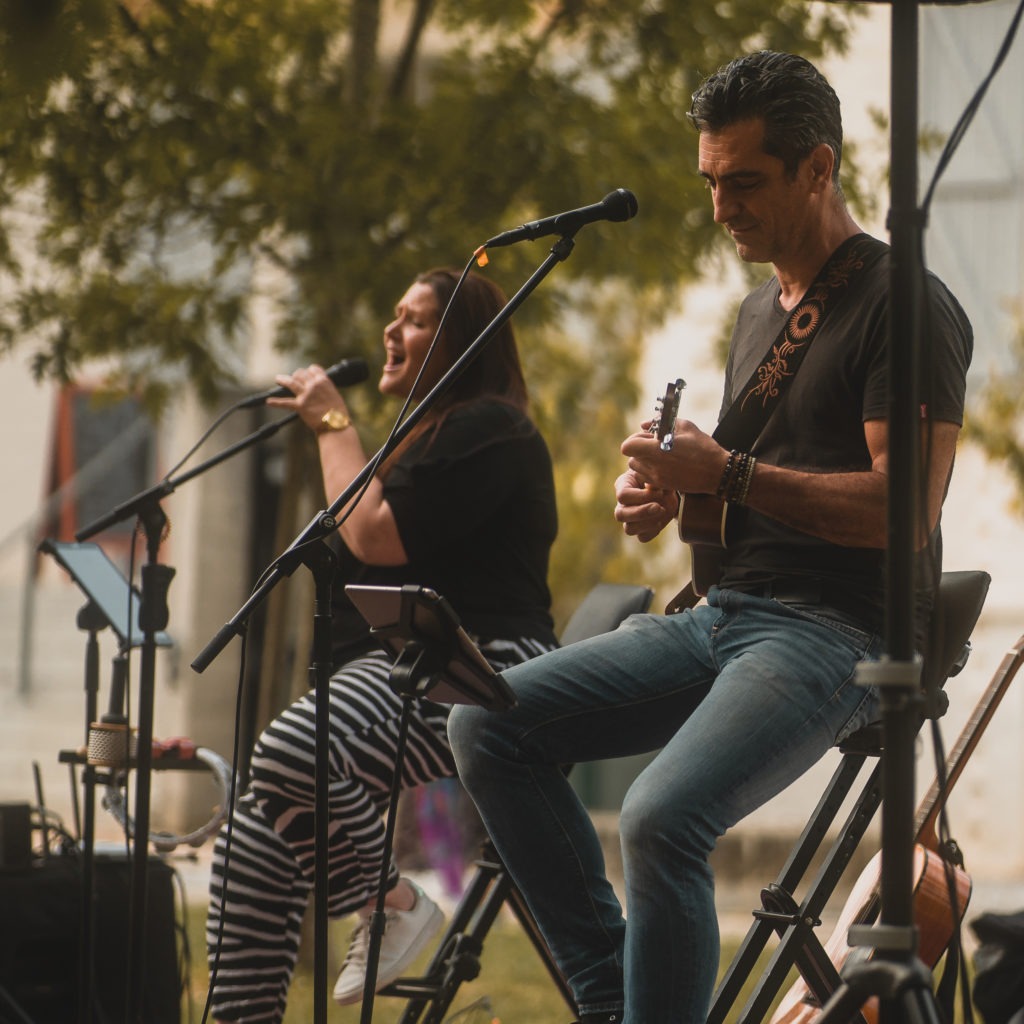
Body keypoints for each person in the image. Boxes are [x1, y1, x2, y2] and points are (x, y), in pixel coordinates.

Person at [448, 50, 973, 1024]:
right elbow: (752, 494)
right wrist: (675, 497)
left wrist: (723, 473)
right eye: (708, 182)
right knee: (485, 722)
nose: (721, 206)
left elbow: (907, 510)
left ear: (816, 169)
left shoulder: (903, 305)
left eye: (744, 182)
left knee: (658, 817)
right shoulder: (752, 313)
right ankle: (618, 995)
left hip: (835, 632)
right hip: (724, 614)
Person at [206, 267, 559, 1023]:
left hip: (489, 668)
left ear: (462, 343)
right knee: (248, 838)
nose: (391, 333)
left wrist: (335, 426)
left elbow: (374, 535)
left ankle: (394, 905)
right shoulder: (416, 442)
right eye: (393, 317)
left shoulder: (492, 428)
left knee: (288, 754)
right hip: (407, 670)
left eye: (415, 320)